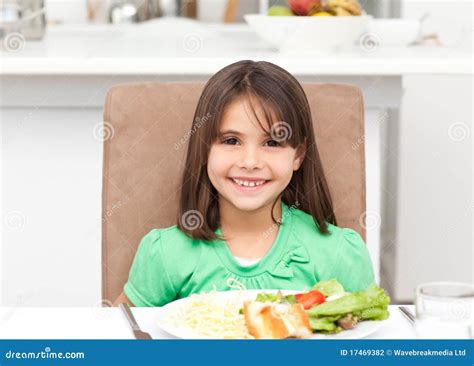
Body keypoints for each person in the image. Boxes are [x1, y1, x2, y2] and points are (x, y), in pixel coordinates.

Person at [113, 60, 375, 307]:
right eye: (231, 141)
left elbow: (371, 344)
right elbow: (117, 336)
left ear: (298, 155)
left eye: (272, 143)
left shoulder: (340, 253)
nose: (250, 162)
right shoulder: (165, 253)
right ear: (204, 149)